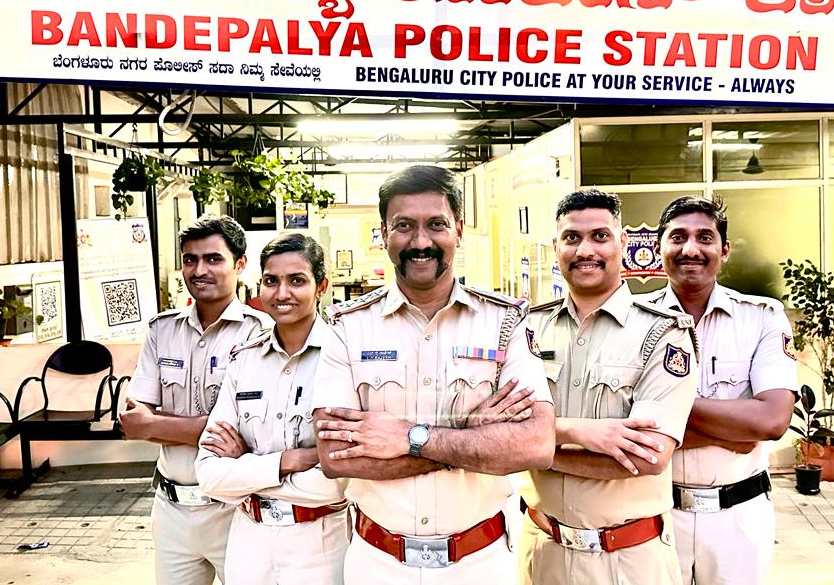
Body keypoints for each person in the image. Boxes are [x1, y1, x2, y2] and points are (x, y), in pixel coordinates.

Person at [312, 164, 556, 584]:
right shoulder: (347, 326)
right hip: (378, 563)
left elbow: (535, 445)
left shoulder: (505, 323)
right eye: (404, 226)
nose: (420, 242)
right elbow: (335, 458)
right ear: (384, 232)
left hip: (479, 565)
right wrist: (474, 440)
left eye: (436, 225)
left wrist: (408, 439)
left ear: (458, 229)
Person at [519, 189, 698, 585]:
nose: (585, 249)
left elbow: (648, 457)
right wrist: (574, 431)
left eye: (600, 236)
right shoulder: (527, 330)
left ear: (624, 243)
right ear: (556, 247)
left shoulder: (663, 333)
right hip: (541, 554)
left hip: (629, 560)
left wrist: (528, 446)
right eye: (571, 238)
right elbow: (488, 428)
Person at [647, 196, 796, 585]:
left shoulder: (761, 318)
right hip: (653, 513)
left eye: (705, 238)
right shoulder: (634, 322)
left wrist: (668, 410)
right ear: (658, 247)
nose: (691, 249)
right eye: (677, 237)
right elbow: (624, 424)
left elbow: (772, 419)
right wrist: (734, 432)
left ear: (724, 250)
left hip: (739, 517)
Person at [120, 213, 270, 585]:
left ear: (240, 264)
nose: (199, 269)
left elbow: (253, 434)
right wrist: (205, 429)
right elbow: (134, 422)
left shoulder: (262, 335)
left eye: (213, 259)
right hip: (171, 511)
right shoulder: (162, 330)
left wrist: (157, 426)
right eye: (190, 259)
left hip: (238, 510)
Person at [194, 232, 350, 585]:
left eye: (297, 281)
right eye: (271, 281)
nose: (282, 294)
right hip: (249, 541)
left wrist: (246, 465)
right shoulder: (244, 360)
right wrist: (289, 460)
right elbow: (209, 475)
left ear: (321, 286)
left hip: (320, 543)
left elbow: (339, 481)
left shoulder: (345, 360)